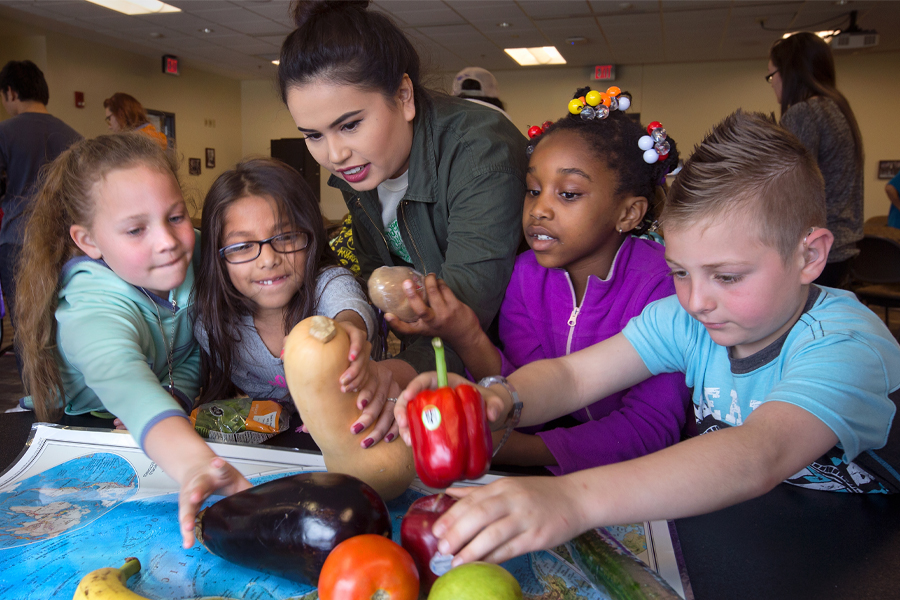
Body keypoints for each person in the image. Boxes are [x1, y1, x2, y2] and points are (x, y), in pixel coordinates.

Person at [394, 111, 900, 566]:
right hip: (743, 533)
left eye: (726, 276)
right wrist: (492, 399)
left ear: (809, 256)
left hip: (856, 553)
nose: (697, 299)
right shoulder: (686, 321)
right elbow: (573, 376)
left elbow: (757, 454)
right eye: (680, 272)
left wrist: (572, 499)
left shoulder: (845, 342)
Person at [390, 87, 692, 474]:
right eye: (533, 190)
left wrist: (516, 450)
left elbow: (649, 429)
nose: (540, 209)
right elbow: (524, 393)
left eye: (568, 193)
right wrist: (466, 333)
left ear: (629, 213)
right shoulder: (525, 275)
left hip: (644, 479)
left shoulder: (663, 287)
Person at [14, 132, 250, 549]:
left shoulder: (190, 261)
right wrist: (194, 462)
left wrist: (177, 394)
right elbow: (126, 384)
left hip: (157, 423)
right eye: (136, 230)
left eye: (176, 217)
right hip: (75, 425)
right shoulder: (90, 304)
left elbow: (190, 349)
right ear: (88, 241)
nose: (167, 241)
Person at [276, 0, 527, 388]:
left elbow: (466, 311)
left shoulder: (481, 152)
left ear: (404, 96)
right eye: (313, 135)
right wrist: (352, 325)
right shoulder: (357, 168)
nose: (334, 155)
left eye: (350, 125)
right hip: (428, 369)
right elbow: (376, 277)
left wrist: (386, 380)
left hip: (516, 371)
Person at [193, 157, 399, 446]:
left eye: (287, 237)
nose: (268, 259)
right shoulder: (214, 325)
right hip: (285, 444)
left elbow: (349, 308)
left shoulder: (324, 284)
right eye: (242, 246)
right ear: (218, 256)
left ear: (311, 236)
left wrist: (346, 332)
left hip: (361, 430)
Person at [768, 32, 863, 288]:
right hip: (841, 244)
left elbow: (790, 188)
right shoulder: (837, 109)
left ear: (789, 73)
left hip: (814, 247)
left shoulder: (803, 113)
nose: (773, 84)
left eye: (771, 75)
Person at [0, 60, 81, 359]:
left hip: (17, 242)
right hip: (65, 241)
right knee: (62, 317)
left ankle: (36, 396)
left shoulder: (4, 133)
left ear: (10, 92)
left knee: (27, 326)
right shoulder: (74, 136)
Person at [103, 92, 168, 149]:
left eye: (109, 119)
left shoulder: (134, 144)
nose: (109, 127)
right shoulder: (150, 138)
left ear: (120, 114)